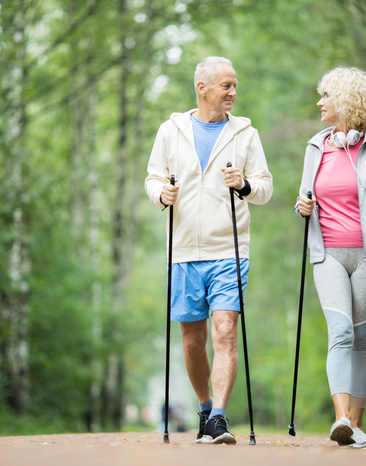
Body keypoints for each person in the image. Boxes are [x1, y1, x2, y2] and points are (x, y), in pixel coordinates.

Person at [145, 56, 273, 444]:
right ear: (202, 88)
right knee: (192, 341)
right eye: (226, 86)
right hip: (183, 250)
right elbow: (152, 178)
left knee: (224, 331)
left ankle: (218, 416)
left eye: (234, 85)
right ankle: (203, 409)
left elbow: (265, 187)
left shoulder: (245, 133)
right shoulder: (171, 130)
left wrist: (245, 185)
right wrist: (161, 194)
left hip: (229, 249)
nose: (233, 92)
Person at [295, 67, 366, 448]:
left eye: (325, 95)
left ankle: (356, 426)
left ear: (344, 99)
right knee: (341, 332)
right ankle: (341, 418)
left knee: (362, 340)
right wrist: (303, 207)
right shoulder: (315, 147)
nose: (319, 102)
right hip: (326, 252)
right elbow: (304, 200)